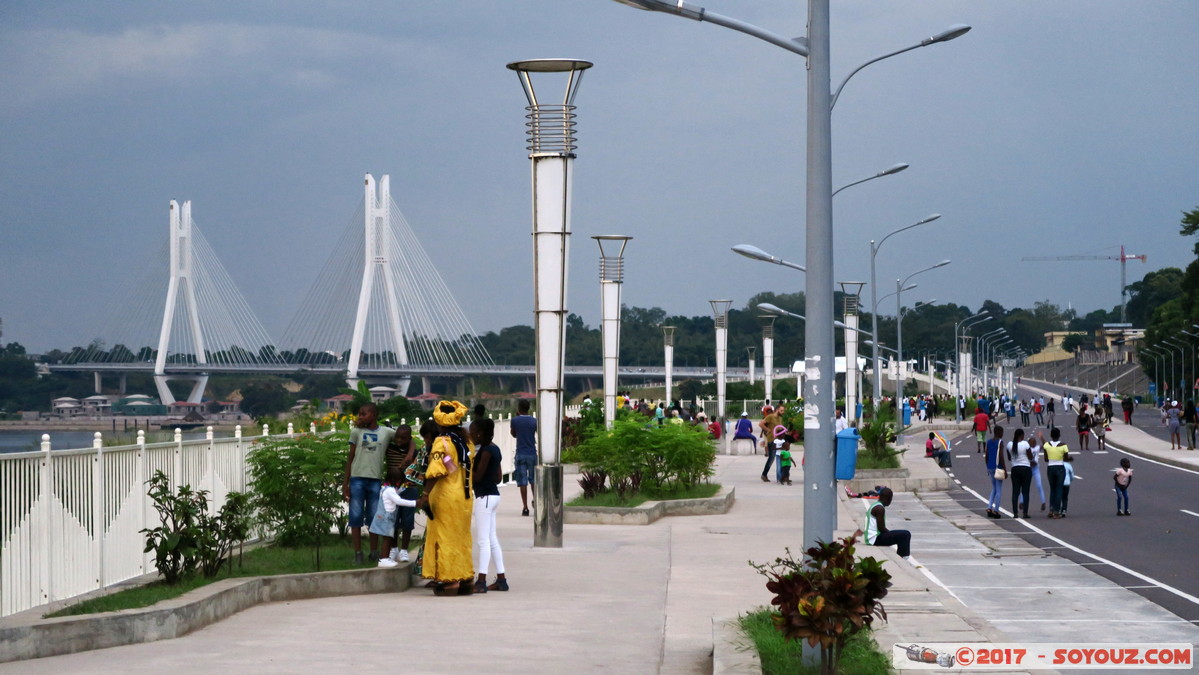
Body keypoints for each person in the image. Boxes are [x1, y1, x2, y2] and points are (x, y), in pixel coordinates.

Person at [419, 400, 475, 595]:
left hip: (445, 498)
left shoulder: (441, 442)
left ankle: (450, 582)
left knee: (445, 538)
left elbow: (437, 472)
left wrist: (424, 494)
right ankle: (466, 579)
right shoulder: (466, 441)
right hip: (464, 497)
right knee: (461, 537)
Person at [342, 403, 396, 565]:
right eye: (359, 414)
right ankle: (358, 553)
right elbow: (350, 459)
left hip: (375, 480)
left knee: (374, 517)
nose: (360, 417)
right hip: (357, 479)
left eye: (363, 414)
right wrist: (346, 484)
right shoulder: (356, 432)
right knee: (355, 517)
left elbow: (405, 438)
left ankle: (374, 551)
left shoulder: (386, 432)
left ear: (373, 415)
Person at [470, 418, 507, 593]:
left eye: (472, 433)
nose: (470, 436)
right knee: (492, 540)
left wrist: (466, 466)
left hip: (484, 497)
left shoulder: (485, 451)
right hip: (494, 496)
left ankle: (481, 581)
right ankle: (501, 579)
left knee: (483, 541)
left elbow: (476, 478)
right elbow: (498, 477)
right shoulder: (495, 449)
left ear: (479, 434)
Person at [369, 467, 418, 568]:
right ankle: (384, 559)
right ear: (396, 480)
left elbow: (395, 497)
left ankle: (385, 558)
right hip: (387, 518)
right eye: (400, 481)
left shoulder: (385, 488)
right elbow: (399, 501)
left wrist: (403, 488)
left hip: (384, 517)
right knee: (387, 539)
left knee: (387, 538)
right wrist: (415, 503)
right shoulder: (390, 491)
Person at [384, 424, 417, 563]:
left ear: (409, 439)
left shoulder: (415, 453)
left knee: (407, 521)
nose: (398, 440)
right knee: (393, 520)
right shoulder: (390, 448)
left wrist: (411, 452)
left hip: (410, 487)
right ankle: (393, 548)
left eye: (403, 438)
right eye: (397, 437)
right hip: (392, 489)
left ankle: (404, 550)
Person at [864, 487, 911, 559]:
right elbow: (881, 528)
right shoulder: (880, 509)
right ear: (888, 498)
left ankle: (903, 556)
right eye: (891, 498)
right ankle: (903, 558)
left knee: (904, 534)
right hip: (875, 539)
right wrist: (891, 535)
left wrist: (891, 535)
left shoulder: (876, 505)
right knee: (905, 535)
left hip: (872, 538)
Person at [510, 398, 537, 516]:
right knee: (533, 480)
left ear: (519, 408)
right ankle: (536, 501)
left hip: (521, 452)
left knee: (523, 481)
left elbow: (514, 434)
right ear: (528, 408)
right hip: (532, 452)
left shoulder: (515, 420)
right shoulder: (534, 421)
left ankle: (525, 507)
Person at [1042, 427, 1069, 519]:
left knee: (1052, 489)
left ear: (1050, 435)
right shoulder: (1063, 445)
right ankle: (1057, 512)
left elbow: (1045, 459)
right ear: (1059, 435)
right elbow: (1066, 459)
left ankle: (1051, 509)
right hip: (1060, 467)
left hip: (1050, 467)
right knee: (1059, 489)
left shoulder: (1046, 445)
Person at [1007, 428, 1033, 519]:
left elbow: (1009, 458)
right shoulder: (1025, 444)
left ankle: (1015, 513)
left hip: (1015, 469)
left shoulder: (1010, 445)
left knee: (1015, 492)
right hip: (1025, 468)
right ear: (1021, 435)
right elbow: (1030, 457)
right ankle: (1025, 513)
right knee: (1025, 492)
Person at [984, 426, 1006, 518]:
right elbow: (1001, 456)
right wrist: (1004, 468)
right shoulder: (1000, 442)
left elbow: (986, 455)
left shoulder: (988, 442)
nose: (1002, 434)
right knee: (999, 490)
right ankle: (996, 510)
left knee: (994, 488)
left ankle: (989, 507)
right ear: (999, 432)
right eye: (1002, 432)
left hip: (990, 467)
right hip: (998, 468)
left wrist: (987, 466)